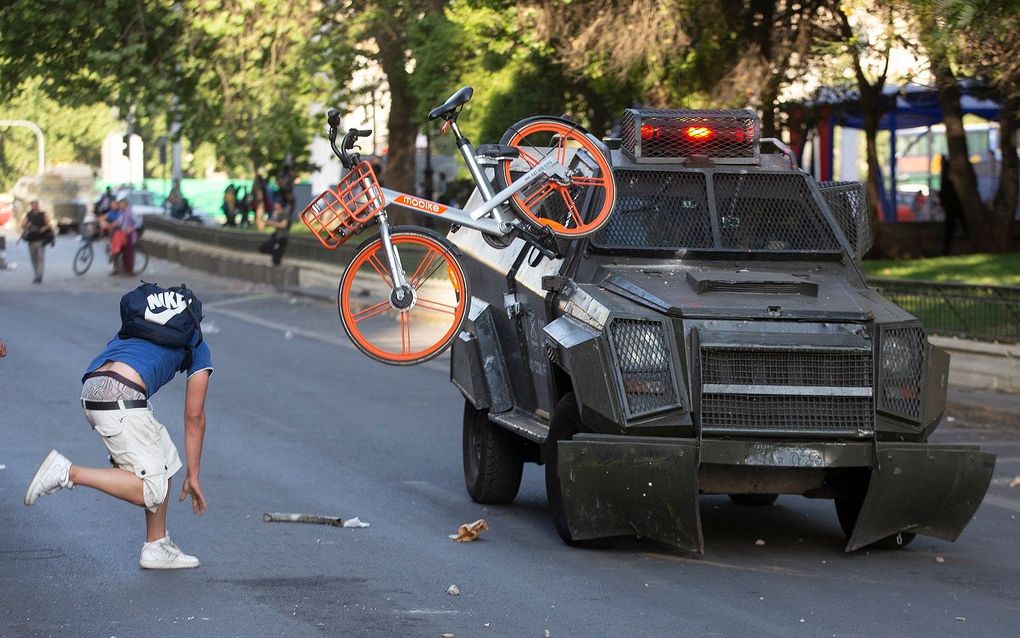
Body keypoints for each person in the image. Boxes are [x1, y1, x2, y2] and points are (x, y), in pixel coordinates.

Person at [25, 285, 213, 569]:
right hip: (122, 396)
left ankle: (156, 545)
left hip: (94, 386)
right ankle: (67, 472)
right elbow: (194, 417)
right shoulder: (195, 340)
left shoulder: (140, 324)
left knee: (165, 458)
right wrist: (195, 474)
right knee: (153, 489)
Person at [20, 200, 55, 284]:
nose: (34, 207)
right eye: (32, 205)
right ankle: (36, 275)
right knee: (33, 259)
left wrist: (44, 228)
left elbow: (49, 224)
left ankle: (39, 276)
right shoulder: (28, 215)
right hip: (31, 240)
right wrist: (26, 225)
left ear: (38, 206)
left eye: (35, 205)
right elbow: (22, 225)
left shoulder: (43, 214)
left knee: (40, 258)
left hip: (41, 240)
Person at [939, 154, 967, 255]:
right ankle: (946, 250)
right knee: (961, 225)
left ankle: (946, 250)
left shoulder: (947, 173)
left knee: (951, 228)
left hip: (952, 204)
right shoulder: (951, 173)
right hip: (956, 203)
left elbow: (943, 189)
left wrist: (943, 201)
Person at [262, 199, 292, 266]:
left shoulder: (284, 214)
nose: (274, 206)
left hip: (282, 236)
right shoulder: (276, 213)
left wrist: (272, 223)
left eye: (276, 204)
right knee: (267, 247)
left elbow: (283, 225)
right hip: (276, 235)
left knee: (277, 251)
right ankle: (275, 263)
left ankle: (276, 264)